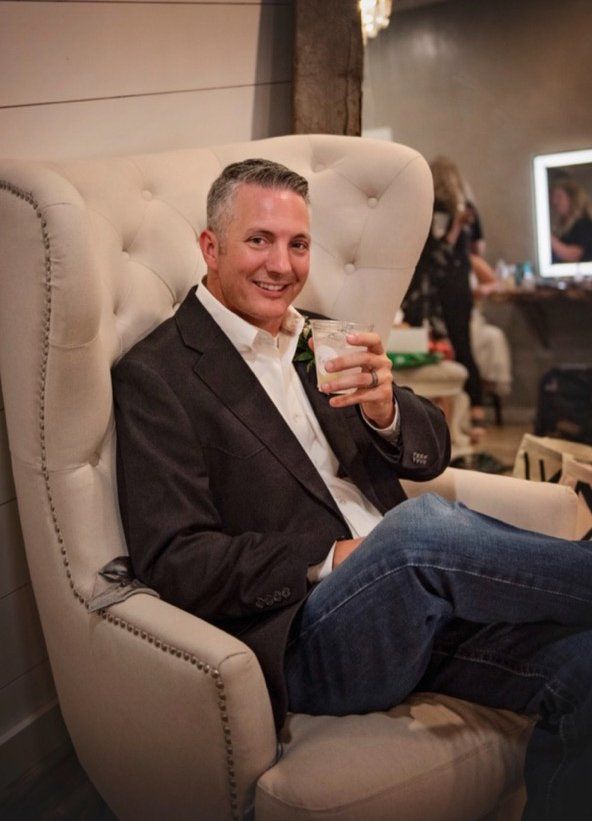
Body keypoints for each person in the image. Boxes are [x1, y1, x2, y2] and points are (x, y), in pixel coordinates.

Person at [112, 158, 592, 821]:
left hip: (417, 605)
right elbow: (176, 558)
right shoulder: (158, 375)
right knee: (419, 531)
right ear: (210, 247)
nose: (282, 264)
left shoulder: (318, 336)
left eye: (298, 243)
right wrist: (334, 557)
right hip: (312, 633)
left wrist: (386, 412)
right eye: (259, 240)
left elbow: (431, 451)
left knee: (585, 665)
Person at [402, 157, 489, 438]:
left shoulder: (432, 207)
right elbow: (479, 248)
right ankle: (475, 414)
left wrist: (454, 231)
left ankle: (436, 415)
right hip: (455, 285)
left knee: (437, 345)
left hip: (435, 289)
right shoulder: (463, 210)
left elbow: (437, 252)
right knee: (461, 342)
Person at [550, 178, 592, 263]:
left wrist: (547, 237)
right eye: (553, 197)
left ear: (572, 199)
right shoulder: (564, 226)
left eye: (559, 197)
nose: (554, 202)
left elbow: (574, 255)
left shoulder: (583, 223)